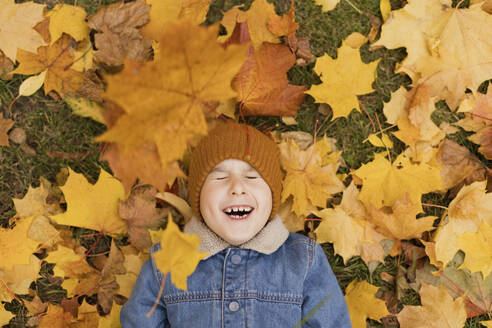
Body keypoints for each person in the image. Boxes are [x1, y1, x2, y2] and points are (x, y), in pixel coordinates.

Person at [120, 122, 352, 327]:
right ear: (197, 198)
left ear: (273, 197)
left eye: (252, 177)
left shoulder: (303, 259)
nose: (237, 187)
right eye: (220, 177)